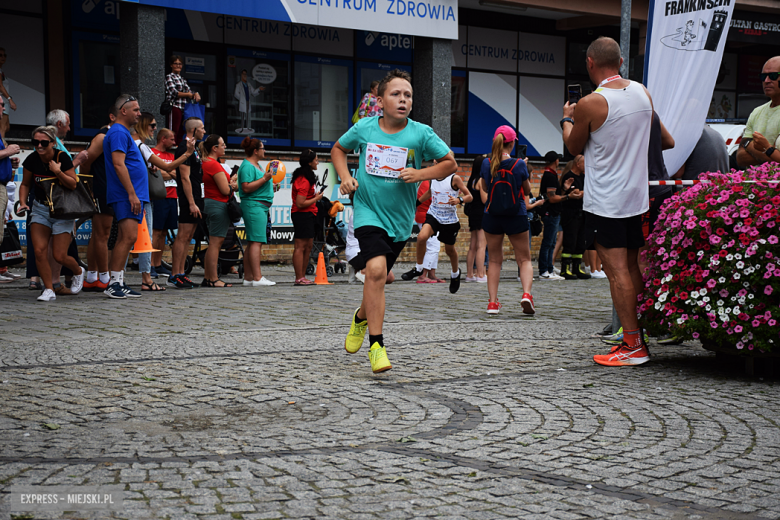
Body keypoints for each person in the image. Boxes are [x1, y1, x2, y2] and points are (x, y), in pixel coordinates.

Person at [332, 68, 456, 374]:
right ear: (380, 99)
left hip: (399, 221)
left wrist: (420, 174)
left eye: (408, 95)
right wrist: (346, 177)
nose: (403, 100)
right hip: (367, 211)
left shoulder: (420, 133)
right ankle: (377, 346)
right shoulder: (364, 128)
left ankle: (361, 316)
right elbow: (338, 149)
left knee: (376, 279)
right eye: (395, 94)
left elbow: (449, 162)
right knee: (375, 272)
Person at [561, 36, 653, 367]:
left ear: (590, 63)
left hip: (607, 200)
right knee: (631, 267)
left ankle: (632, 344)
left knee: (616, 272)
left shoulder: (591, 102)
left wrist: (566, 119)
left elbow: (573, 148)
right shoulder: (643, 92)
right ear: (622, 62)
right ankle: (639, 335)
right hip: (636, 196)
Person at [17, 126, 85, 301]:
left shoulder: (62, 157)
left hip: (62, 210)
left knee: (59, 255)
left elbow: (73, 184)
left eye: (44, 143)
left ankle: (78, 270)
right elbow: (25, 184)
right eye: (35, 142)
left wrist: (57, 171)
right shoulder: (32, 160)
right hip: (40, 208)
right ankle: (49, 289)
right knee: (39, 251)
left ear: (53, 143)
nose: (39, 146)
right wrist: (23, 203)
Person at [477, 125, 535, 316]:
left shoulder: (486, 163)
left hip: (492, 216)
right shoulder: (519, 164)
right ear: (511, 144)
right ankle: (526, 294)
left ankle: (492, 303)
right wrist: (524, 169)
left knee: (494, 260)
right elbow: (526, 191)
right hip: (515, 214)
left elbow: (484, 187)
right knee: (524, 258)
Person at [133, 112, 194, 290]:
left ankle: (141, 278)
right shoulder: (141, 146)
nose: (154, 129)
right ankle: (140, 279)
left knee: (139, 237)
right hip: (140, 196)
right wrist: (187, 154)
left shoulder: (137, 144)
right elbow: (167, 168)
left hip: (142, 195)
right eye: (152, 125)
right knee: (140, 237)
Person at [102, 94, 150, 299]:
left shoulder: (122, 133)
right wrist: (131, 194)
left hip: (130, 194)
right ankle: (113, 284)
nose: (139, 114)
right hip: (125, 194)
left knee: (127, 238)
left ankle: (119, 282)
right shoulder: (119, 133)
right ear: (124, 111)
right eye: (136, 110)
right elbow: (118, 164)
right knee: (128, 237)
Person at [412, 163, 472, 294]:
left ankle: (455, 273)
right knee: (422, 237)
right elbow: (429, 192)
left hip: (449, 219)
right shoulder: (433, 177)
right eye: (434, 162)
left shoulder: (454, 178)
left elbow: (470, 196)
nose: (434, 165)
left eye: (437, 162)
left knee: (449, 250)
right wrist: (416, 203)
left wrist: (459, 200)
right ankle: (418, 268)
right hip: (433, 215)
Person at [79, 106, 117, 291]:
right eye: (134, 110)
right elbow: (85, 162)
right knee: (103, 234)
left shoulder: (114, 135)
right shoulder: (103, 137)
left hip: (108, 189)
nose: (138, 114)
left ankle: (92, 276)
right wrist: (89, 186)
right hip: (103, 189)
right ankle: (104, 277)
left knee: (98, 234)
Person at [168, 117, 206, 289]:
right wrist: (191, 202)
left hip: (197, 196)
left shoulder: (195, 149)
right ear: (194, 130)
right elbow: (184, 177)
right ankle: (175, 274)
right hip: (188, 198)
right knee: (182, 236)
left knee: (189, 236)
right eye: (202, 128)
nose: (204, 131)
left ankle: (182, 272)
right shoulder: (184, 148)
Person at [238, 136, 276, 287]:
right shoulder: (247, 166)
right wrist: (265, 179)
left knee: (253, 242)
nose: (264, 150)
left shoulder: (257, 166)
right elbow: (246, 187)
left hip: (260, 205)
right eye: (262, 148)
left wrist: (270, 186)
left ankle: (248, 278)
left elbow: (258, 184)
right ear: (255, 151)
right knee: (256, 242)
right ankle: (258, 278)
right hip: (254, 206)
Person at [199, 134, 236, 287]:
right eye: (222, 144)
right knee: (216, 243)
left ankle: (209, 277)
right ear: (214, 148)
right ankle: (213, 278)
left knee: (213, 243)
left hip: (210, 203)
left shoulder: (206, 162)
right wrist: (233, 185)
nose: (225, 147)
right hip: (218, 204)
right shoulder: (214, 164)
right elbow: (225, 190)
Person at [737, 56, 780, 168]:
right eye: (763, 76)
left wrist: (749, 146)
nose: (766, 81)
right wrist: (771, 151)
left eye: (773, 76)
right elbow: (740, 158)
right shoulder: (757, 112)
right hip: (756, 184)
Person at [291, 149, 323, 286]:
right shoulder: (303, 179)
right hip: (302, 214)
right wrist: (316, 198)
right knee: (300, 246)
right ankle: (299, 277)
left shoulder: (308, 176)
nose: (318, 162)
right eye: (316, 160)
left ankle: (303, 276)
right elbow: (300, 203)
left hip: (310, 214)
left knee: (308, 245)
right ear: (309, 162)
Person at [150, 128, 178, 278]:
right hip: (159, 196)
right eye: (172, 139)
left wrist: (164, 172)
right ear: (163, 139)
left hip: (173, 196)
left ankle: (158, 264)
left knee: (164, 232)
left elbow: (176, 173)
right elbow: (155, 174)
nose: (174, 142)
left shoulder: (172, 156)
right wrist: (167, 173)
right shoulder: (152, 153)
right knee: (156, 231)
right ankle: (150, 266)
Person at [536, 151, 566, 280]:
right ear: (556, 161)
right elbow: (552, 198)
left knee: (552, 242)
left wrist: (564, 188)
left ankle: (549, 268)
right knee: (548, 242)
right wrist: (568, 196)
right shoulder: (550, 176)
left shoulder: (551, 175)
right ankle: (544, 270)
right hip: (550, 212)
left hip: (553, 213)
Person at [558, 155, 589, 280]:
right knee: (570, 241)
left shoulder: (583, 177)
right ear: (577, 164)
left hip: (582, 213)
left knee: (580, 242)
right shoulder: (569, 177)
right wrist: (581, 193)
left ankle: (577, 268)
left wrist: (582, 192)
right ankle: (565, 269)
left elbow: (584, 191)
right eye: (584, 163)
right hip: (570, 214)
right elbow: (573, 194)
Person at [165, 55, 200, 144]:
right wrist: (188, 94)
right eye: (175, 63)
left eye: (180, 64)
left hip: (184, 108)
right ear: (171, 65)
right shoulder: (169, 77)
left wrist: (195, 94)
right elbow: (174, 92)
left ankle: (179, 147)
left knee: (182, 131)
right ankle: (172, 148)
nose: (178, 66)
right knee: (174, 130)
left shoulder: (183, 79)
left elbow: (189, 92)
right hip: (175, 106)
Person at [464, 155, 487, 283]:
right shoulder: (481, 180)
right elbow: (484, 199)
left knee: (472, 246)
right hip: (481, 214)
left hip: (473, 213)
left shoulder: (471, 180)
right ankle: (480, 274)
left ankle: (469, 274)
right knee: (481, 246)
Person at [233, 69, 264, 133]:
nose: (245, 76)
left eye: (245, 74)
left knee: (247, 115)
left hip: (248, 102)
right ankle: (242, 128)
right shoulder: (238, 85)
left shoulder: (248, 84)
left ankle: (247, 127)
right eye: (243, 74)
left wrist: (259, 89)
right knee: (242, 115)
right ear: (241, 75)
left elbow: (253, 93)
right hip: (242, 102)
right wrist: (241, 99)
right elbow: (236, 94)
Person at [0, 48, 16, 138]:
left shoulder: (1, 71)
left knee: (6, 127)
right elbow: (0, 86)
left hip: (4, 101)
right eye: (0, 55)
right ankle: (1, 148)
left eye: (4, 55)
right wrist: (10, 100)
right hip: (2, 101)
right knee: (2, 127)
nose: (3, 57)